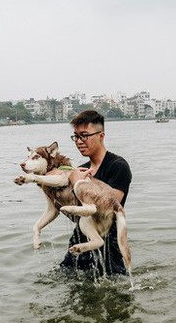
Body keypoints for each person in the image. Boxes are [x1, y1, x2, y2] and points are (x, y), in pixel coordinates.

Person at [60, 110, 132, 275]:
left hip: (107, 246)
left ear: (101, 135)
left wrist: (75, 182)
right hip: (79, 242)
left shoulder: (118, 166)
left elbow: (108, 206)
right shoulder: (82, 169)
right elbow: (76, 216)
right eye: (76, 136)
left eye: (84, 135)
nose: (79, 141)